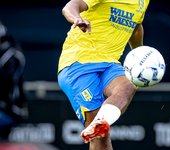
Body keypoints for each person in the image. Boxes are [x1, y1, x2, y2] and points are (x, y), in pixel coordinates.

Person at [58, 0, 149, 149]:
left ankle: (101, 122)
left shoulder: (143, 1)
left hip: (110, 64)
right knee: (101, 138)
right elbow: (70, 6)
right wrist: (76, 18)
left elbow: (136, 26)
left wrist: (139, 53)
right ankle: (99, 125)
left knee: (129, 84)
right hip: (77, 64)